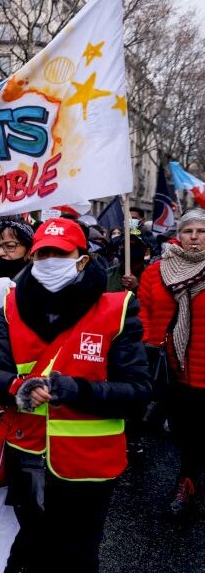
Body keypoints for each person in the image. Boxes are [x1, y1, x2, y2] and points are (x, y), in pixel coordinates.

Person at [0, 217, 150, 573]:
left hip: (89, 465)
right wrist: (18, 389)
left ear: (82, 259)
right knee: (30, 550)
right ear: (31, 259)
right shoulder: (12, 306)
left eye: (60, 253)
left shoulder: (117, 310)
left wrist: (78, 390)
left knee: (77, 557)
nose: (49, 261)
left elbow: (138, 390)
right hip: (27, 456)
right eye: (42, 254)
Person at [136, 209, 205, 516]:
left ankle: (187, 481)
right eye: (189, 231)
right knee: (179, 429)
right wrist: (149, 347)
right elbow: (145, 313)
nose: (194, 237)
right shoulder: (156, 271)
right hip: (172, 368)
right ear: (179, 234)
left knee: (198, 431)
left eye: (201, 231)